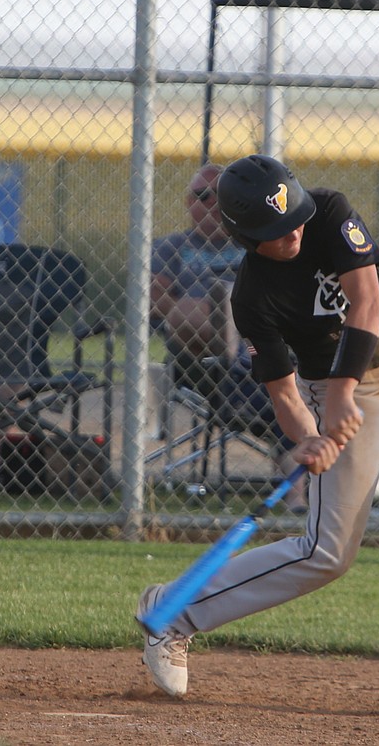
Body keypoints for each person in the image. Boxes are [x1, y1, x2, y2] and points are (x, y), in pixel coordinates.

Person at [136, 154, 379, 717]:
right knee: (325, 554)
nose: (294, 231)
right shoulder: (252, 297)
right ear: (246, 237)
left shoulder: (328, 212)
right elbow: (283, 395)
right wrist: (306, 438)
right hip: (338, 391)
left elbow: (367, 302)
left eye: (294, 216)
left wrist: (343, 391)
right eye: (277, 231)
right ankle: (174, 612)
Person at [151, 163, 305, 512]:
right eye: (201, 196)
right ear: (188, 202)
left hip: (262, 353)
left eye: (218, 198)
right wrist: (203, 313)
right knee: (203, 310)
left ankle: (299, 494)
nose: (209, 205)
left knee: (268, 372)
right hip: (200, 357)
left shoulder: (258, 244)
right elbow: (154, 299)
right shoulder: (171, 247)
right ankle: (230, 325)